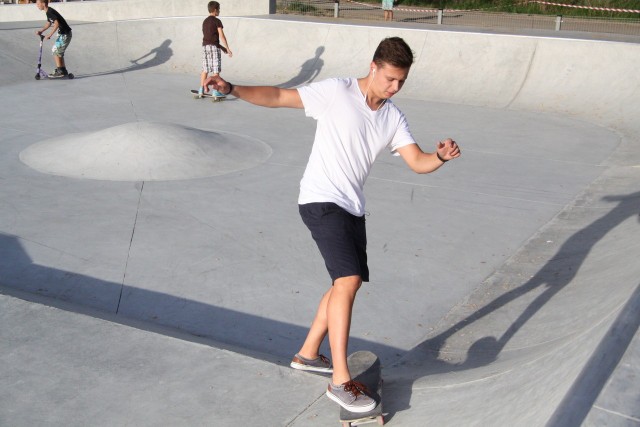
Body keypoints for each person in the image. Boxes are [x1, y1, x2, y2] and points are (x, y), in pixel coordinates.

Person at [205, 37, 461, 413]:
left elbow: (417, 161)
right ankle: (340, 379)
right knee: (348, 281)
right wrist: (233, 89)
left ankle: (309, 354)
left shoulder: (393, 117)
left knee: (341, 282)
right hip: (321, 199)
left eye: (401, 82)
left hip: (351, 209)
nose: (393, 87)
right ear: (373, 66)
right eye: (389, 79)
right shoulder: (337, 92)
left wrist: (439, 156)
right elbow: (279, 97)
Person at [198, 1, 232, 98]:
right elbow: (221, 35)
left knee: (205, 69)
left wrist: (222, 48)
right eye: (219, 10)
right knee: (216, 71)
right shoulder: (217, 21)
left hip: (205, 47)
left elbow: (209, 38)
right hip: (214, 48)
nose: (220, 11)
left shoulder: (205, 21)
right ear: (215, 10)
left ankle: (201, 89)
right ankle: (215, 91)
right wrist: (227, 48)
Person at [35, 0, 72, 78]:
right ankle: (62, 70)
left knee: (56, 51)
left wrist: (49, 34)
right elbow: (49, 23)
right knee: (57, 51)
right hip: (63, 34)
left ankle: (60, 71)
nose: (37, 5)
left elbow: (57, 23)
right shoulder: (48, 12)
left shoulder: (50, 12)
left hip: (65, 34)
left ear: (43, 3)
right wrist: (41, 31)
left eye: (38, 3)